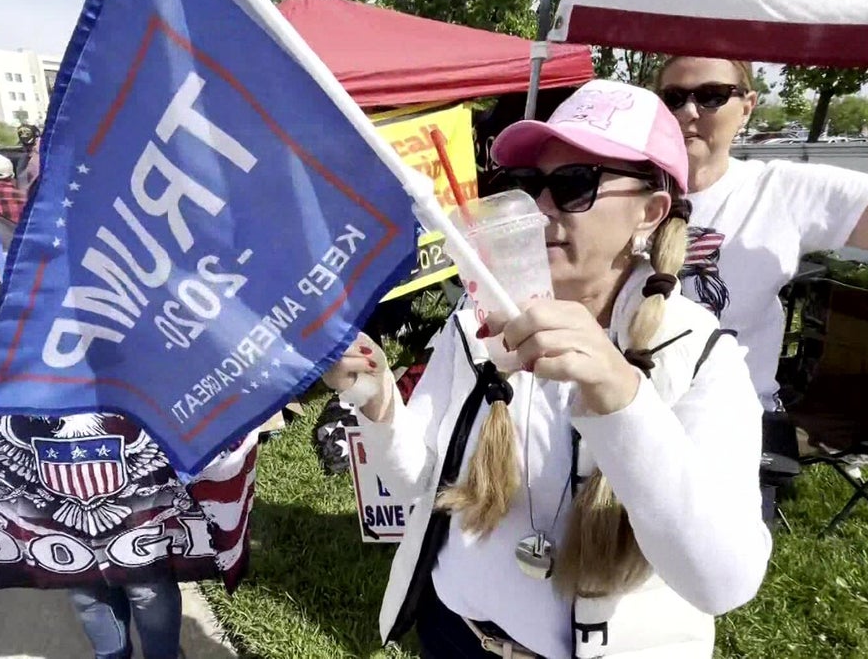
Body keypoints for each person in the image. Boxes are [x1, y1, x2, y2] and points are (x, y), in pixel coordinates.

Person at [325, 80, 770, 658]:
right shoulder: (480, 314)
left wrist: (620, 396)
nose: (539, 208)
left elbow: (723, 583)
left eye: (574, 186)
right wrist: (379, 396)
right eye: (529, 185)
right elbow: (421, 483)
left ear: (650, 212)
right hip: (454, 637)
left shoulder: (699, 353)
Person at [653, 57, 868, 413]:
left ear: (747, 108)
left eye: (711, 95)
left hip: (727, 420)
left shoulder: (780, 190)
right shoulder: (613, 187)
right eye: (673, 98)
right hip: (615, 416)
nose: (688, 111)